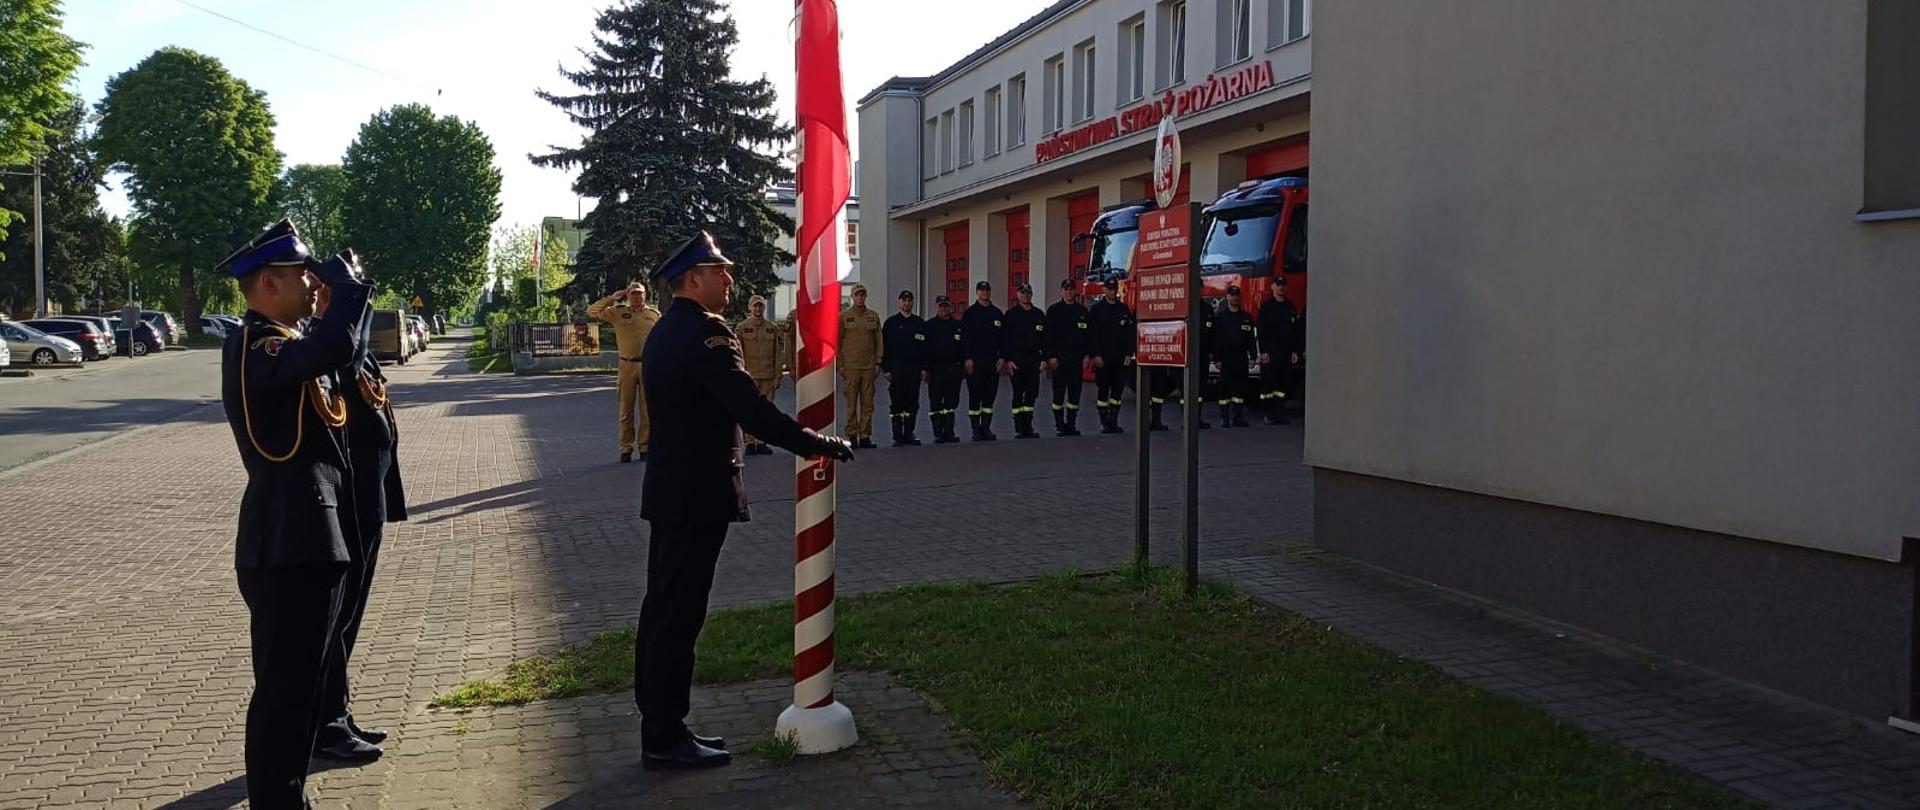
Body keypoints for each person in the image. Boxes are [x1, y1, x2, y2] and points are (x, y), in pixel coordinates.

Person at [635, 231, 854, 770]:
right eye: (720, 272)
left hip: (672, 492)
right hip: (695, 496)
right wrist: (818, 444)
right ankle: (664, 737)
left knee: (663, 612)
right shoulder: (707, 336)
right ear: (693, 280)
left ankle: (662, 726)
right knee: (679, 616)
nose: (729, 280)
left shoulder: (667, 331)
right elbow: (751, 412)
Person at [216, 218, 373, 809]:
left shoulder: (288, 342)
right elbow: (330, 347)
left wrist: (352, 299)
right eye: (301, 275)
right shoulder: (259, 344)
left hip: (308, 536)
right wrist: (346, 290)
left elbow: (345, 355)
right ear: (267, 285)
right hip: (287, 541)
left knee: (303, 689)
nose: (312, 286)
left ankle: (288, 798)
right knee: (285, 693)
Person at [311, 249, 407, 766]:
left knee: (350, 618)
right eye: (346, 286)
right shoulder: (328, 345)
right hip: (348, 500)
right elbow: (347, 355)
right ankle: (326, 723)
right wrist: (347, 300)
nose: (359, 294)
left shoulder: (348, 344)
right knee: (339, 617)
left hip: (367, 496)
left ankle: (339, 712)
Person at [587, 282, 662, 463]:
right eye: (633, 294)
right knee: (626, 410)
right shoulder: (618, 312)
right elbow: (592, 311)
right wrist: (611, 299)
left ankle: (645, 447)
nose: (637, 297)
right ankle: (626, 448)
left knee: (647, 410)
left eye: (640, 293)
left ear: (645, 295)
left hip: (647, 366)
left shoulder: (653, 315)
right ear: (628, 295)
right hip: (627, 365)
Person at [735, 295, 783, 455]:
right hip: (749, 376)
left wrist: (778, 376)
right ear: (749, 308)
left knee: (765, 412)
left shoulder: (773, 328)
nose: (758, 309)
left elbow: (779, 354)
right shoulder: (741, 328)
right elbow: (737, 353)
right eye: (755, 306)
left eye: (760, 306)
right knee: (749, 411)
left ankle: (762, 442)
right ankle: (749, 443)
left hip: (768, 377)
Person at [1043, 279, 1091, 436]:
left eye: (1071, 289)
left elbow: (1088, 337)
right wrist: (1051, 356)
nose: (1069, 292)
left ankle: (1071, 424)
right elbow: (1048, 336)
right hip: (1060, 359)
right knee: (1058, 393)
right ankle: (1059, 425)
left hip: (1077, 358)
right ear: (1061, 291)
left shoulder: (1082, 312)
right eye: (1066, 289)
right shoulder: (1054, 311)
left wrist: (1086, 355)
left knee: (1075, 393)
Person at [838, 284, 883, 449]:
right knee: (851, 403)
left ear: (866, 297)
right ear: (852, 297)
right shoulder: (844, 317)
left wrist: (878, 361)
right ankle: (851, 435)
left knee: (867, 403)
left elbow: (879, 340)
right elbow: (837, 342)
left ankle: (865, 435)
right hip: (850, 367)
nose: (860, 298)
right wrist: (840, 364)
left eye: (863, 295)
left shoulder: (873, 316)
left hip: (869, 366)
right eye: (857, 295)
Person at [881, 289, 927, 447]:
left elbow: (924, 349)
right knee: (897, 403)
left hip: (914, 371)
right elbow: (884, 348)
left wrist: (923, 368)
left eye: (909, 300)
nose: (906, 303)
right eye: (904, 300)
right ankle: (898, 436)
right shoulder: (890, 324)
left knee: (912, 403)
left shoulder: (919, 323)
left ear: (913, 302)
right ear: (899, 302)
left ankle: (909, 434)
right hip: (896, 371)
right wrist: (885, 369)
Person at [1087, 285, 1135, 434]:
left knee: (1117, 392)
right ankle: (1104, 421)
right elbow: (1092, 335)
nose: (1112, 291)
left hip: (1120, 359)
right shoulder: (1097, 310)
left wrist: (1129, 353)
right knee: (1103, 391)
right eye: (1109, 288)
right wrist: (1095, 355)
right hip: (1103, 358)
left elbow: (1130, 334)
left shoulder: (1124, 309)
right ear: (1104, 290)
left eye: (1114, 289)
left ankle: (1113, 421)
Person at [960, 280, 1004, 441]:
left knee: (989, 397)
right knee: (975, 396)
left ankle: (986, 428)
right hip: (976, 362)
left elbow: (1003, 339)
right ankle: (975, 429)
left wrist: (1002, 357)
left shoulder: (997, 313)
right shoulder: (970, 313)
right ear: (977, 292)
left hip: (992, 362)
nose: (985, 293)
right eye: (982, 290)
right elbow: (965, 338)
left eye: (987, 290)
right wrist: (967, 358)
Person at [1001, 284, 1046, 439]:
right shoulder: (1011, 315)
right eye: (1023, 293)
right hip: (1017, 360)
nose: (1026, 295)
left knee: (1032, 394)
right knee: (1018, 394)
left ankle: (1028, 426)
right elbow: (1005, 340)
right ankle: (1019, 427)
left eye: (1028, 293)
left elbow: (1045, 341)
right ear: (1017, 294)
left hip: (1034, 360)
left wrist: (1044, 359)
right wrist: (1008, 360)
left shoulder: (1039, 315)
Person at [1256, 277, 1300, 425]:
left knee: (1282, 383)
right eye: (1278, 285)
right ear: (1272, 287)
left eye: (1283, 285)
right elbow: (1262, 330)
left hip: (1286, 350)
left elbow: (1295, 331)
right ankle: (1268, 413)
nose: (1281, 288)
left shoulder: (1290, 307)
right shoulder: (1267, 307)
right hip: (1271, 349)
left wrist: (1294, 351)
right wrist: (1263, 352)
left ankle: (1279, 413)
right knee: (1269, 382)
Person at [922, 296, 966, 443]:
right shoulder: (929, 326)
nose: (943, 309)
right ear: (937, 307)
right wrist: (926, 369)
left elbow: (963, 348)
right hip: (936, 370)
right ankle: (938, 433)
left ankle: (949, 432)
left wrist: (963, 366)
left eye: (946, 306)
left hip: (954, 370)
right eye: (941, 306)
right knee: (935, 403)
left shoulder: (957, 325)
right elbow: (925, 350)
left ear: (950, 307)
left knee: (951, 403)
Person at [1212, 286, 1257, 428]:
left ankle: (1238, 417)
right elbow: (1216, 340)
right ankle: (1225, 418)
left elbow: (1251, 339)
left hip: (1241, 358)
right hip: (1226, 359)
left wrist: (1253, 356)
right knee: (1224, 389)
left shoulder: (1246, 318)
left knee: (1240, 389)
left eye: (1237, 295)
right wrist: (1217, 359)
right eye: (1232, 295)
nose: (1235, 298)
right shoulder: (1220, 318)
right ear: (1227, 297)